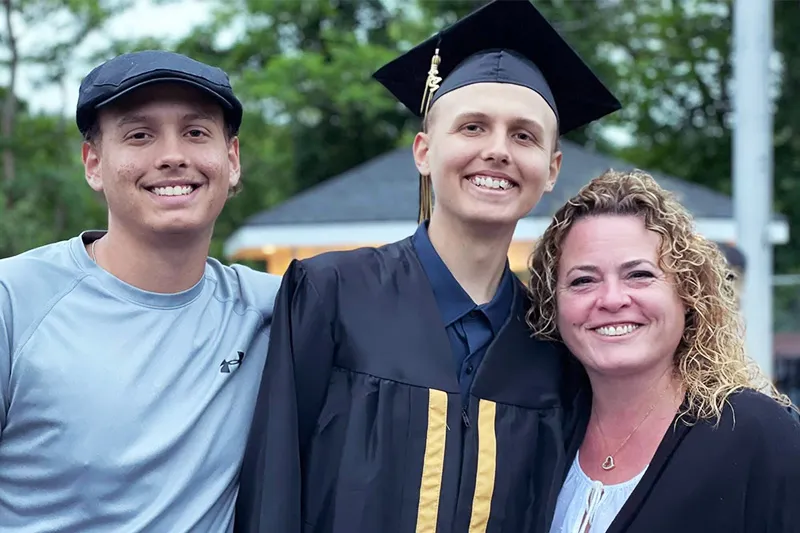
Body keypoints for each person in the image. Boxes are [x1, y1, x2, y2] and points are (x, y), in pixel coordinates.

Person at [235, 1, 621, 532]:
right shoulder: (331, 296)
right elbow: (273, 491)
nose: (498, 150)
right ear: (423, 151)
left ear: (552, 169)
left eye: (524, 135)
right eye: (472, 127)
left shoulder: (554, 343)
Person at [0, 50, 282, 531]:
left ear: (231, 160)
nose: (172, 155)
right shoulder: (14, 301)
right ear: (94, 163)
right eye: (139, 135)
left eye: (195, 132)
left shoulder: (274, 308)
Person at [526, 169, 800, 533]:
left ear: (688, 295)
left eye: (639, 274)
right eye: (583, 280)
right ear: (553, 306)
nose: (611, 299)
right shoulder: (539, 435)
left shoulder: (756, 433)